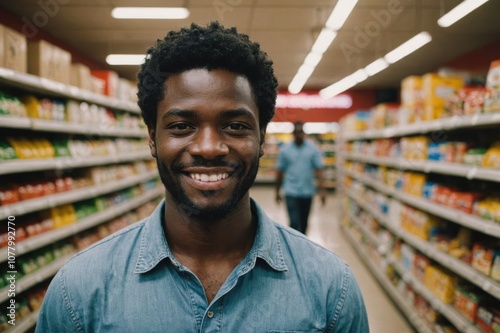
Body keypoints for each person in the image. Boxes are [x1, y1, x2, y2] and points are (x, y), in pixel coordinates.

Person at [35, 22, 369, 333]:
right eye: (182, 126)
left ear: (263, 138)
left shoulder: (330, 290)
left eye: (235, 125)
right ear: (152, 138)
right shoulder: (77, 293)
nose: (209, 148)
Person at [275, 121, 327, 234]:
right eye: (297, 132)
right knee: (294, 222)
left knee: (304, 223)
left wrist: (322, 190)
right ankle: (293, 247)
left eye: (301, 132)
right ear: (293, 133)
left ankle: (302, 244)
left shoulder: (312, 148)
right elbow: (280, 171)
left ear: (304, 133)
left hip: (307, 191)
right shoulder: (285, 150)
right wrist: (277, 191)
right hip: (291, 191)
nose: (299, 134)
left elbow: (319, 170)